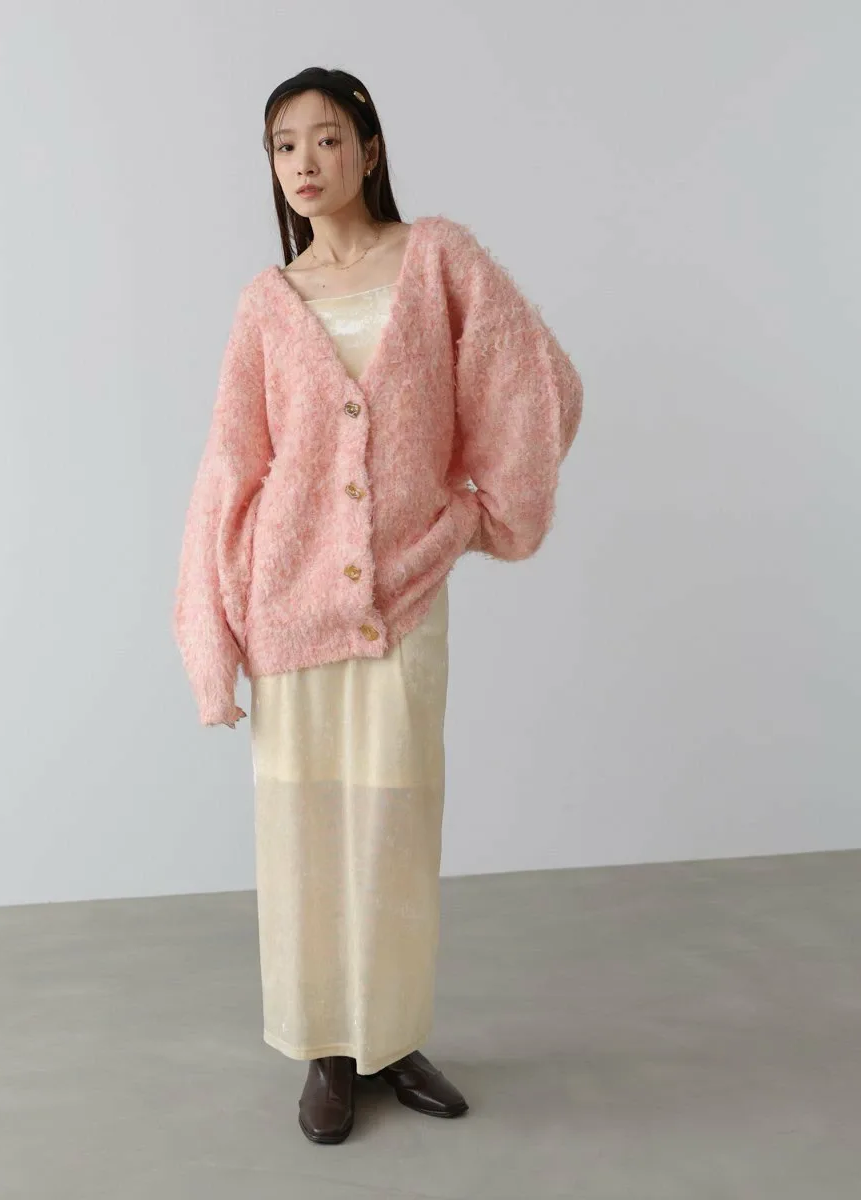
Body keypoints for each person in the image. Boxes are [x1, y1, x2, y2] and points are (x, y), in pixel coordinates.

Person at [172, 65, 584, 1145]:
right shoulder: (268, 302)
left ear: (369, 149)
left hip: (403, 596)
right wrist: (212, 636)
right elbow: (230, 467)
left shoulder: (438, 258)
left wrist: (475, 515)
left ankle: (391, 1038)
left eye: (324, 139)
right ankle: (325, 1048)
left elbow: (535, 381)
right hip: (289, 605)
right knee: (303, 830)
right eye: (283, 146)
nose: (304, 163)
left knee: (393, 824)